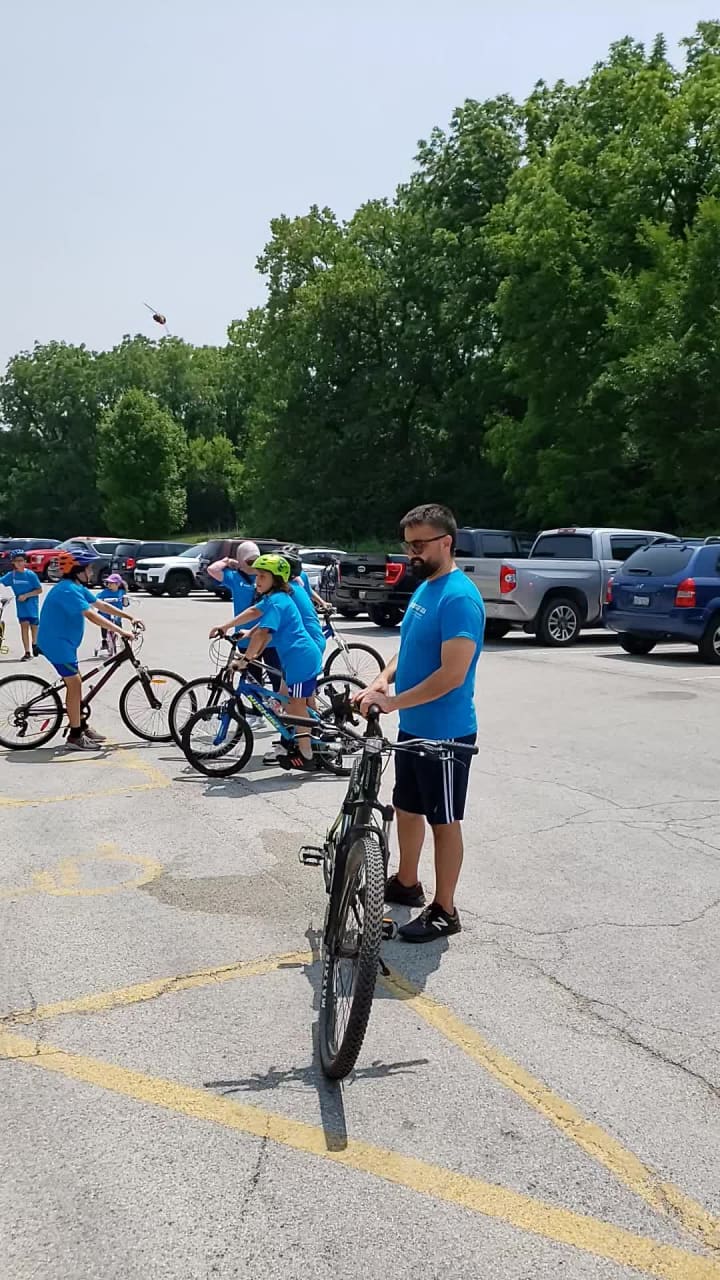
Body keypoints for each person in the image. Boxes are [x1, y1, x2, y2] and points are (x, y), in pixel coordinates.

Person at [358, 503, 484, 943]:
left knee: (443, 821)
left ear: (446, 542)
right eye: (407, 543)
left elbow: (452, 674)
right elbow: (407, 648)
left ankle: (445, 909)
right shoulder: (426, 588)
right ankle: (406, 882)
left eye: (419, 544)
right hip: (414, 727)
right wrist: (381, 677)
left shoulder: (460, 597)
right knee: (408, 808)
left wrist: (392, 703)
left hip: (446, 733)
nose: (410, 552)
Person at [210, 553, 322, 772]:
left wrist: (245, 659)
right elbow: (255, 613)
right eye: (256, 575)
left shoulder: (279, 601)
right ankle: (303, 738)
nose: (257, 580)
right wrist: (227, 626)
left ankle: (307, 753)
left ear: (277, 579)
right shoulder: (274, 598)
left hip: (301, 658)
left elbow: (263, 633)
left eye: (262, 576)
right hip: (293, 658)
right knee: (286, 703)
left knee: (296, 705)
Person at [37, 548, 142, 751]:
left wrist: (130, 618)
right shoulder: (67, 589)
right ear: (77, 570)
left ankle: (80, 724)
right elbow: (91, 615)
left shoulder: (76, 586)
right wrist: (121, 631)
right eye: (89, 568)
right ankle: (75, 736)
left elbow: (100, 605)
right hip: (56, 643)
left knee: (75, 684)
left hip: (64, 643)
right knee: (75, 684)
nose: (92, 572)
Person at [207, 541, 281, 700]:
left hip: (268, 636)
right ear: (241, 560)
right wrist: (227, 561)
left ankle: (282, 710)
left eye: (257, 560)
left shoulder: (267, 577)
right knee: (252, 677)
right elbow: (212, 570)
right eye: (249, 561)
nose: (254, 565)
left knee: (276, 676)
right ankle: (259, 711)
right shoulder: (235, 577)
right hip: (245, 638)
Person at [0, 550, 42, 661]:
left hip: (32, 605)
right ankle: (27, 652)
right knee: (24, 627)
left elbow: (39, 590)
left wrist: (27, 595)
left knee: (34, 627)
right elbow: (2, 583)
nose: (19, 563)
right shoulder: (11, 575)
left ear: (25, 562)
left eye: (21, 561)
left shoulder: (30, 575)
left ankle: (35, 645)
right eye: (16, 561)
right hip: (21, 607)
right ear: (13, 562)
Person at [95, 573, 129, 655]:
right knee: (104, 624)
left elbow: (126, 604)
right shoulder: (105, 592)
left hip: (117, 615)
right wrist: (100, 600)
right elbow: (97, 598)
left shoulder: (121, 592)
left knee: (118, 625)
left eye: (111, 583)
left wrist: (125, 598)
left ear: (118, 584)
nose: (109, 585)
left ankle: (123, 642)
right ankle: (104, 640)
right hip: (105, 614)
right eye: (108, 583)